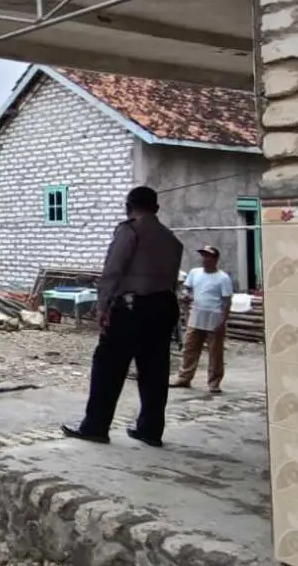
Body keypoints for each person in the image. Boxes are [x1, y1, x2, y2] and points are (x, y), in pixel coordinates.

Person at [63, 187, 183, 448]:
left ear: (128, 206)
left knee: (108, 366)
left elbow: (113, 271)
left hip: (132, 307)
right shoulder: (170, 238)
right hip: (164, 306)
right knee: (155, 369)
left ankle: (96, 425)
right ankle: (151, 430)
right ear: (157, 209)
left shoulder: (130, 231)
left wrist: (103, 307)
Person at [171, 245, 233, 393]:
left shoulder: (222, 278)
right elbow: (187, 288)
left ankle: (214, 382)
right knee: (189, 348)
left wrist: (223, 321)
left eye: (208, 256)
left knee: (215, 352)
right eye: (203, 256)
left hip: (214, 316)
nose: (205, 259)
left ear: (215, 259)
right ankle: (184, 377)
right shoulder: (195, 273)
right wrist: (186, 295)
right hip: (196, 315)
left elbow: (226, 302)